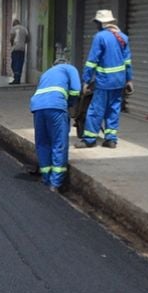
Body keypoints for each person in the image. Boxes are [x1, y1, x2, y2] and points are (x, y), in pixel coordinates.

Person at [77, 9, 133, 149]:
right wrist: (129, 80)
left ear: (100, 23)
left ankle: (89, 139)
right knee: (113, 109)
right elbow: (127, 62)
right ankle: (111, 139)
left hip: (104, 81)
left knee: (96, 110)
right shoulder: (123, 37)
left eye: (97, 22)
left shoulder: (100, 37)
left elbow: (92, 61)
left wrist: (86, 80)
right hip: (119, 81)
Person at [30, 57, 82, 192]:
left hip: (37, 107)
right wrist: (70, 104)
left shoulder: (46, 73)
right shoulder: (70, 68)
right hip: (56, 107)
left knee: (42, 142)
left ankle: (46, 177)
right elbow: (76, 90)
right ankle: (56, 183)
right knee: (59, 143)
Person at [9, 18, 29, 85]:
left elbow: (11, 37)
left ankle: (16, 79)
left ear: (14, 24)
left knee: (14, 64)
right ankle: (18, 78)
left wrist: (12, 44)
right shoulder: (24, 29)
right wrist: (23, 42)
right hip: (22, 49)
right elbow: (27, 39)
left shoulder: (13, 28)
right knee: (20, 63)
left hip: (15, 48)